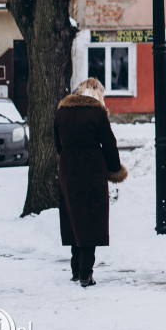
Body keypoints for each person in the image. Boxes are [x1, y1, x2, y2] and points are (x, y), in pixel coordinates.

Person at [55, 77, 127, 287]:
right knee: (91, 220)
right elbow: (110, 144)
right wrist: (115, 169)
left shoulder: (62, 111)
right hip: (92, 170)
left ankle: (76, 269)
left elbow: (57, 141)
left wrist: (68, 158)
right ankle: (86, 273)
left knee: (73, 218)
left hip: (68, 169)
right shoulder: (97, 112)